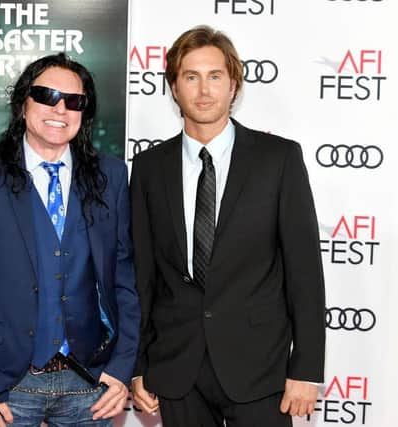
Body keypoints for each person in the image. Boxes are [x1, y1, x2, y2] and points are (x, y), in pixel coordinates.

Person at [130, 26, 325, 427]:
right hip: (177, 368)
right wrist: (138, 363)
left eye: (215, 76)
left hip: (260, 369)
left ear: (233, 85)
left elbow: (304, 272)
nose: (204, 90)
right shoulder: (150, 168)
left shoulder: (279, 160)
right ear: (173, 87)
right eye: (190, 76)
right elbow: (143, 275)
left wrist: (305, 369)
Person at [0, 53, 140, 427]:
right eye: (47, 95)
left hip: (90, 382)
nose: (60, 108)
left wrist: (123, 366)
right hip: (6, 384)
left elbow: (124, 278)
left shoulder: (110, 175)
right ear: (23, 101)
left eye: (74, 101)